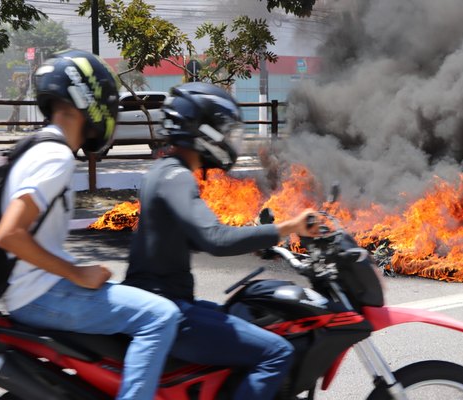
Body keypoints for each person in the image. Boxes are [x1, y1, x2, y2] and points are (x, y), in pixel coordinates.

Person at [0, 49, 180, 400]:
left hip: (33, 290)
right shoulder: (55, 155)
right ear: (88, 101)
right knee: (161, 317)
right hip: (41, 295)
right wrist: (76, 273)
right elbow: (10, 234)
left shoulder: (38, 146)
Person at [124, 82, 319, 400]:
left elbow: (187, 237)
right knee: (276, 353)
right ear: (203, 130)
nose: (228, 139)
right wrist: (286, 228)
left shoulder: (161, 171)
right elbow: (215, 239)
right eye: (223, 129)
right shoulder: (176, 177)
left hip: (160, 301)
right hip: (170, 310)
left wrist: (255, 237)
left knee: (242, 315)